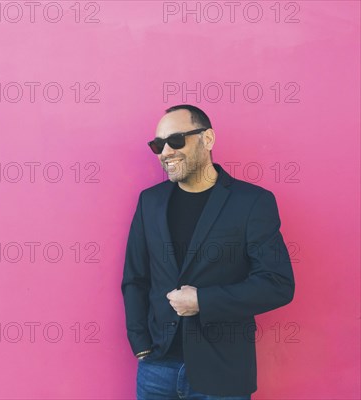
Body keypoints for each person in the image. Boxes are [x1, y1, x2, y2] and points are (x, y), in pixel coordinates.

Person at [121, 104, 295, 399]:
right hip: (156, 368)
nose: (165, 152)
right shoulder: (149, 202)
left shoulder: (251, 202)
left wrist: (203, 300)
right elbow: (135, 278)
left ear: (208, 139)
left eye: (176, 140)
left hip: (222, 370)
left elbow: (277, 284)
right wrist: (141, 345)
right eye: (157, 144)